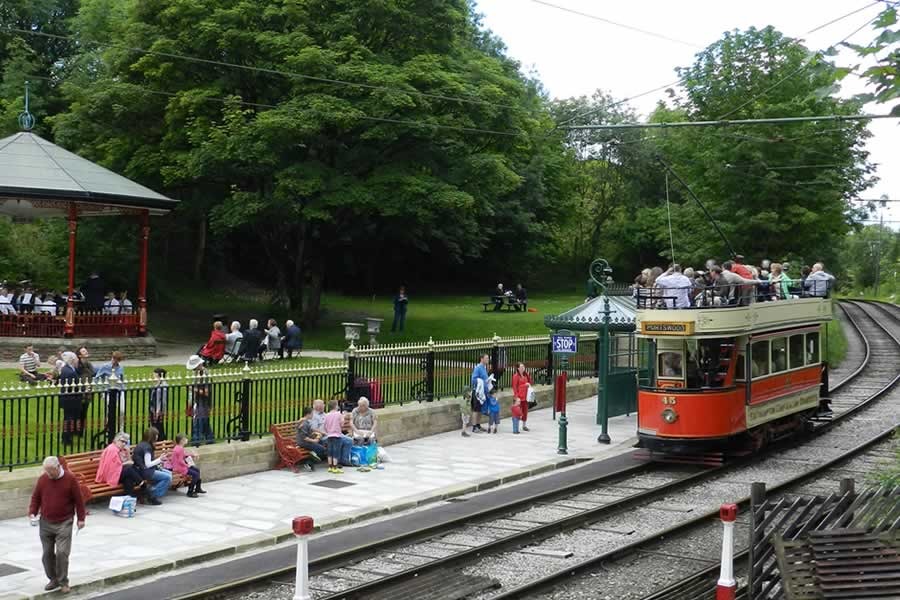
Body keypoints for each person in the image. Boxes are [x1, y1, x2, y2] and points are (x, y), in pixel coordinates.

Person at [28, 456, 86, 594]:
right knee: (47, 554)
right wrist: (32, 512)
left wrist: (81, 518)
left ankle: (63, 581)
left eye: (50, 471)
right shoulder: (43, 479)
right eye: (46, 471)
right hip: (46, 521)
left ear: (58, 467)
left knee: (62, 553)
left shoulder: (70, 479)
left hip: (64, 521)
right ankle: (53, 579)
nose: (48, 474)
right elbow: (36, 497)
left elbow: (79, 500)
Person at [95, 432, 143, 499]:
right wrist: (126, 463)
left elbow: (129, 462)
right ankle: (142, 484)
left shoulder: (121, 450)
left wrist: (128, 453)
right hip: (109, 475)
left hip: (117, 473)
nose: (124, 444)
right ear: (116, 440)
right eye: (122, 441)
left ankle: (129, 497)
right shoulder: (112, 449)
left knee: (128, 477)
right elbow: (112, 467)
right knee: (129, 469)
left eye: (125, 442)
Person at [132, 427, 172, 505]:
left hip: (139, 469)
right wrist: (160, 459)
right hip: (145, 472)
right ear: (152, 436)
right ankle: (151, 495)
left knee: (169, 474)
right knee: (168, 477)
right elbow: (148, 464)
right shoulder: (147, 447)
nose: (157, 436)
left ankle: (150, 490)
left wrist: (159, 460)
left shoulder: (142, 444)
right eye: (156, 435)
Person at [95, 351, 125, 443]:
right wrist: (102, 390)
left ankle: (121, 430)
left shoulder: (121, 368)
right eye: (114, 359)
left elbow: (122, 379)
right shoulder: (105, 367)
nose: (115, 361)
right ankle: (109, 429)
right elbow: (97, 379)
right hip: (108, 391)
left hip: (119, 391)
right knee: (109, 411)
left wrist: (123, 388)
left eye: (117, 360)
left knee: (122, 411)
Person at [310, 399, 352, 465]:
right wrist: (324, 433)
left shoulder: (325, 414)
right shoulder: (314, 416)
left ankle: (343, 460)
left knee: (349, 440)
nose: (324, 405)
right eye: (322, 404)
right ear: (316, 406)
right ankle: (340, 461)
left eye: (323, 404)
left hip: (331, 434)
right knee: (344, 440)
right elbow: (313, 428)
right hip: (322, 437)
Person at [186, 355, 214, 444]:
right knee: (204, 422)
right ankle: (210, 439)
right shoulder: (200, 373)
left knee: (198, 422)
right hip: (199, 402)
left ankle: (196, 441)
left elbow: (206, 393)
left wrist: (193, 389)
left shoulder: (204, 374)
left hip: (203, 403)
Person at [58, 352, 80, 447]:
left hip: (67, 398)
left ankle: (67, 436)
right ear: (72, 360)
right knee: (69, 419)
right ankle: (66, 438)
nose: (77, 361)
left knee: (68, 418)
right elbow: (73, 387)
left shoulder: (67, 369)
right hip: (70, 399)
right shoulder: (70, 372)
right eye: (76, 359)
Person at [75, 347, 95, 438]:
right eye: (83, 351)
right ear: (79, 355)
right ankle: (74, 429)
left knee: (84, 412)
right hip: (79, 391)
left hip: (88, 391)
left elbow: (94, 373)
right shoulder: (77, 365)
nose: (86, 351)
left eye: (86, 350)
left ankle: (81, 432)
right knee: (77, 412)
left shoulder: (89, 364)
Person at [469, 354, 490, 433]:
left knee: (480, 409)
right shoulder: (477, 368)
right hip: (478, 392)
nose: (488, 359)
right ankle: (474, 427)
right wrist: (481, 381)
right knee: (476, 409)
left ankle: (478, 425)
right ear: (481, 359)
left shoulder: (484, 368)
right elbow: (473, 380)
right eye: (486, 358)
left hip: (483, 392)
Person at [324, 400, 344, 475]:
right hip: (337, 435)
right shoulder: (339, 414)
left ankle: (330, 467)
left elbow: (325, 426)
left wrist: (328, 431)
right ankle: (335, 467)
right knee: (336, 451)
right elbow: (342, 424)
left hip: (329, 435)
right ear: (336, 406)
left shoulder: (326, 415)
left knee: (330, 451)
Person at [511, 362, 532, 432]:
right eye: (521, 367)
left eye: (524, 367)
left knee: (525, 411)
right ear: (518, 368)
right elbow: (514, 387)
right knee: (517, 412)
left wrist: (528, 376)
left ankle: (524, 425)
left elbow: (530, 382)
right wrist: (516, 397)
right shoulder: (515, 376)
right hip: (519, 397)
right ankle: (516, 426)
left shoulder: (525, 375)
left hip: (525, 396)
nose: (523, 368)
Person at [150, 368, 168, 440]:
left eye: (155, 375)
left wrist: (159, 410)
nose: (153, 377)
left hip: (158, 409)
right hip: (153, 408)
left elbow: (162, 400)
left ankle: (161, 439)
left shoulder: (163, 386)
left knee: (159, 426)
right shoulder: (156, 384)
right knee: (154, 425)